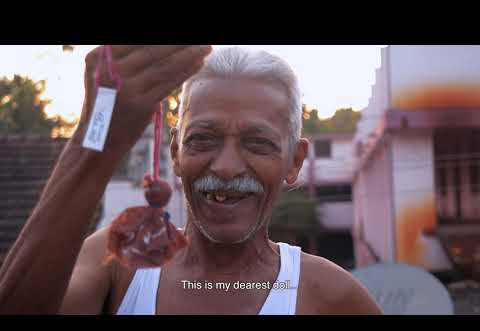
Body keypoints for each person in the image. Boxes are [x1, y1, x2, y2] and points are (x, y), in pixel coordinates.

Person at [0, 45, 382, 315]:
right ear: (175, 153)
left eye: (258, 143)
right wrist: (95, 138)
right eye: (203, 139)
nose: (227, 167)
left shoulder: (329, 296)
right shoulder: (120, 260)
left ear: (294, 162)